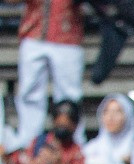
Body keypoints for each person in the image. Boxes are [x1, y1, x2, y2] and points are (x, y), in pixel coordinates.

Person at [10, 0, 84, 149]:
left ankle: (72, 147)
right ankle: (29, 146)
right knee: (29, 93)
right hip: (34, 29)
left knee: (69, 96)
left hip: (67, 31)